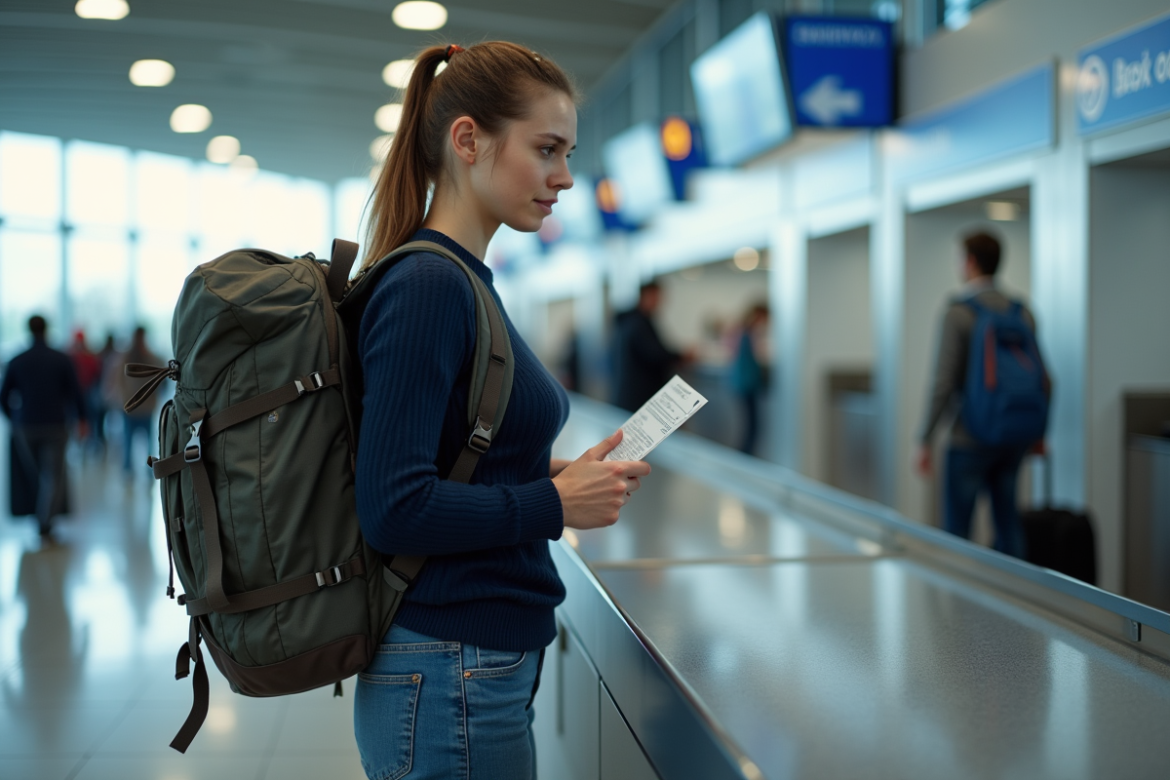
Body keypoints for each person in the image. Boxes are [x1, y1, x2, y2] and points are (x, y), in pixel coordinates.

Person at [351, 41, 651, 780]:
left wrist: (543, 471)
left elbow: (448, 450)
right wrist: (550, 504)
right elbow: (393, 506)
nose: (566, 177)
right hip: (449, 662)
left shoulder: (462, 279)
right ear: (468, 140)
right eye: (546, 149)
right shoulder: (429, 284)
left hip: (466, 663)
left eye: (569, 152)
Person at [916, 231, 1038, 557]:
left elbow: (943, 382)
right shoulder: (1021, 311)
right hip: (1013, 436)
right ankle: (1018, 597)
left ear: (969, 262)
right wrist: (1038, 433)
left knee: (958, 529)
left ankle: (955, 606)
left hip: (968, 436)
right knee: (1008, 523)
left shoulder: (959, 312)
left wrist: (925, 438)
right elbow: (1044, 379)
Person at [0, 316, 87, 546]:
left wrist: (14, 419)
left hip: (25, 427)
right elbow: (76, 393)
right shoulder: (60, 359)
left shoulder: (17, 360)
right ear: (46, 330)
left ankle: (42, 518)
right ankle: (44, 524)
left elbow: (4, 396)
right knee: (52, 476)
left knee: (39, 474)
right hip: (55, 425)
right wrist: (82, 419)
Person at [611, 280, 687, 412]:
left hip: (631, 394)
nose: (660, 301)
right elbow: (654, 354)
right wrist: (680, 356)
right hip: (639, 396)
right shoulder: (639, 323)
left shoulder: (630, 321)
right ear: (647, 296)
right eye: (657, 296)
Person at [117, 327, 161, 476]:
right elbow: (119, 380)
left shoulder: (150, 357)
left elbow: (159, 378)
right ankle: (128, 469)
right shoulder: (126, 357)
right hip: (131, 406)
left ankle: (148, 469)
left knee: (148, 441)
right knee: (128, 440)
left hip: (145, 407)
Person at [729, 303, 770, 456]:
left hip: (741, 383)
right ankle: (746, 456)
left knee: (749, 424)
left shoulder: (740, 332)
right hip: (747, 384)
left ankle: (745, 455)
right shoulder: (748, 334)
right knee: (752, 425)